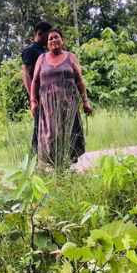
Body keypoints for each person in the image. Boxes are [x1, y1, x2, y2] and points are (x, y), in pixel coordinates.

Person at [30, 28, 92, 168]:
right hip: (48, 106)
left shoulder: (71, 57)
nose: (53, 40)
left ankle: (67, 167)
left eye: (56, 37)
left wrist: (85, 101)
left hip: (68, 104)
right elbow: (35, 81)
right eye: (50, 38)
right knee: (51, 135)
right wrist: (33, 101)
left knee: (68, 133)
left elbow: (80, 80)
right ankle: (55, 167)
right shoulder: (42, 58)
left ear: (62, 41)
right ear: (47, 44)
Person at [22, 20, 52, 155]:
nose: (49, 39)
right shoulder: (30, 50)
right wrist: (32, 98)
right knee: (38, 128)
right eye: (47, 35)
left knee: (49, 127)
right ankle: (32, 162)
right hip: (38, 96)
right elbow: (26, 74)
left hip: (48, 95)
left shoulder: (44, 51)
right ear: (40, 33)